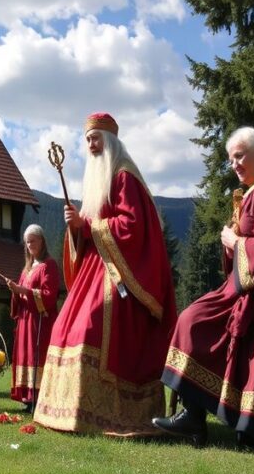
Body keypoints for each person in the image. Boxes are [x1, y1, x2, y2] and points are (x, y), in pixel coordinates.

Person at [153, 127, 254, 451]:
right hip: (252, 289)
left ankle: (227, 423)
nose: (234, 165)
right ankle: (196, 417)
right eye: (230, 160)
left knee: (193, 320)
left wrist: (234, 242)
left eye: (239, 156)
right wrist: (234, 242)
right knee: (193, 321)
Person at [33, 112, 178, 437]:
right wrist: (75, 229)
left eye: (95, 138)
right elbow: (84, 236)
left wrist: (88, 226)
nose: (91, 145)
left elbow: (133, 227)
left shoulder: (125, 176)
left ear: (110, 141)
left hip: (120, 278)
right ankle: (64, 412)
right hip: (92, 272)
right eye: (87, 140)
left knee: (89, 326)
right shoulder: (98, 182)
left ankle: (110, 415)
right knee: (64, 327)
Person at [6, 224, 61, 413]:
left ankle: (40, 397)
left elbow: (49, 295)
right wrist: (15, 292)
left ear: (42, 241)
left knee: (38, 356)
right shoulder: (26, 269)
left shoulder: (49, 265)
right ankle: (28, 398)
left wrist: (23, 291)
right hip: (25, 321)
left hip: (40, 321)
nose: (30, 244)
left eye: (33, 241)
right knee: (25, 356)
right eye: (27, 242)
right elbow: (20, 296)